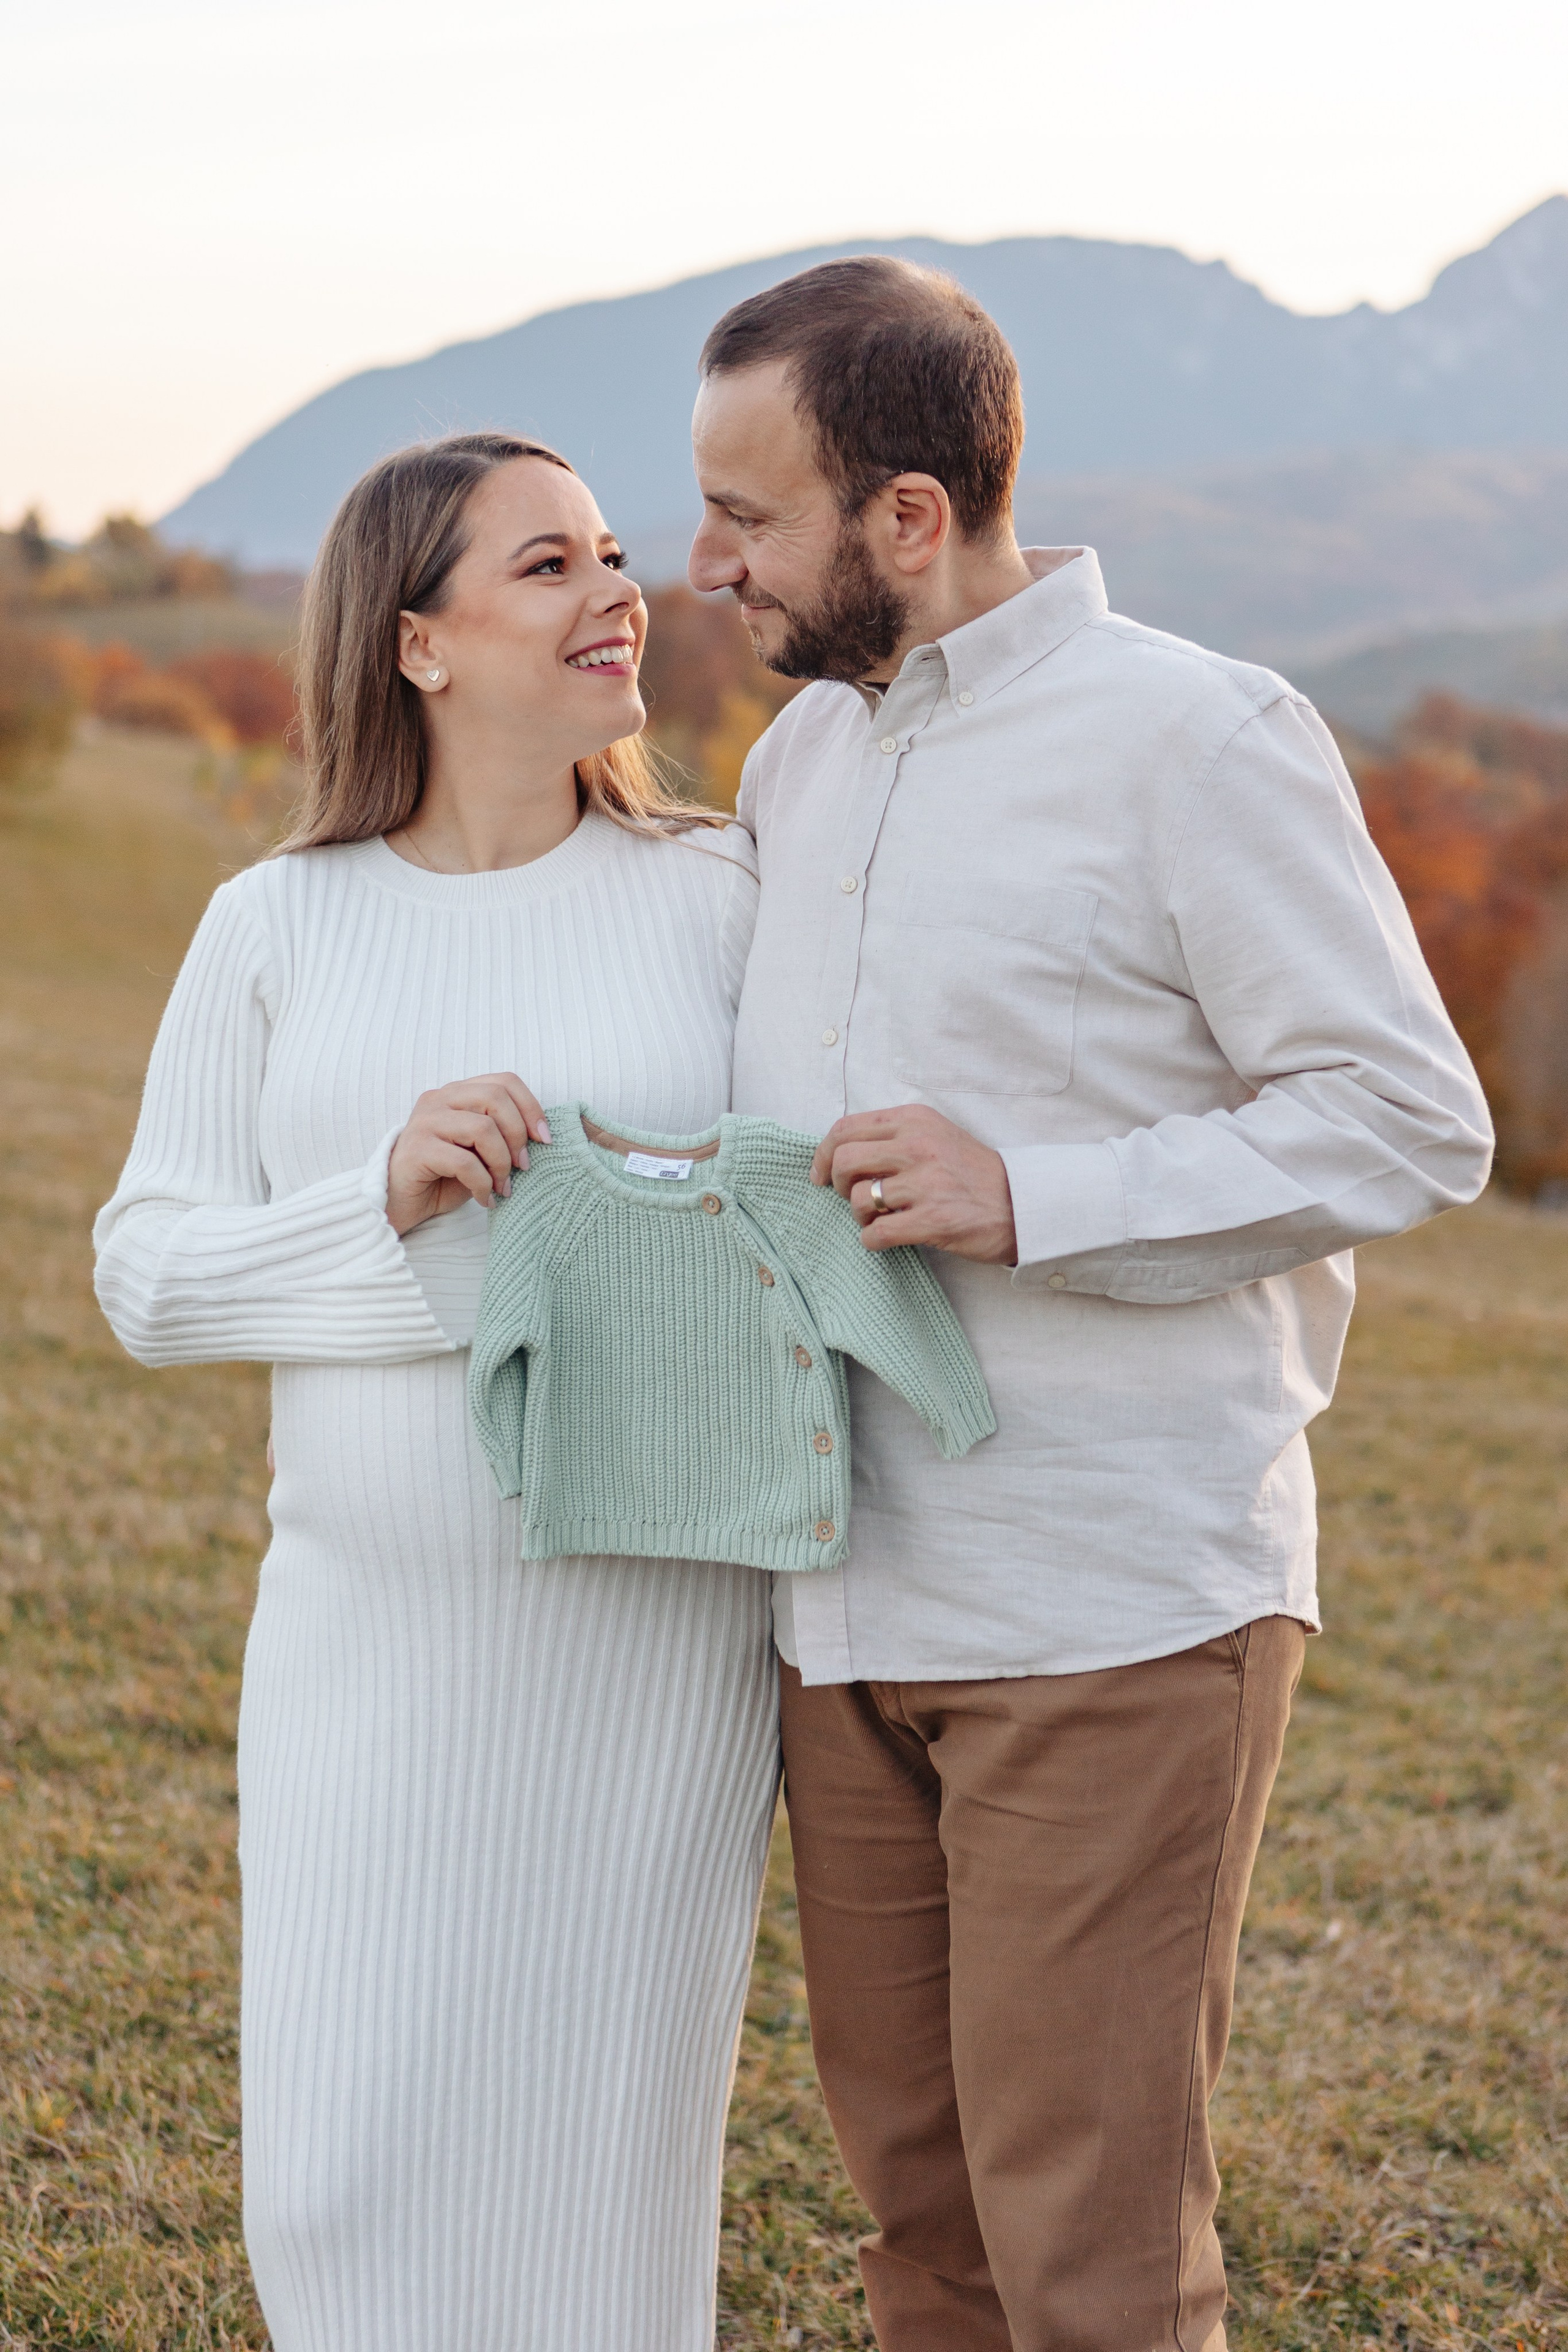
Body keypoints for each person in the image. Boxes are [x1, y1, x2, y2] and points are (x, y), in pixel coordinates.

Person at [688, 259, 1493, 2352]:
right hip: (842, 1597)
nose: (709, 566)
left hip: (1114, 1607)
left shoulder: (1199, 735)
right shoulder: (802, 771)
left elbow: (1408, 1118)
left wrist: (1030, 1194)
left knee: (1096, 2264)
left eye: (749, 517)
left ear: (908, 517)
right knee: (923, 2228)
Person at [94, 433, 778, 2352]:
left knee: (600, 2166)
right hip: (361, 1644)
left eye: (617, 554)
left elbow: (790, 1237)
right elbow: (145, 1271)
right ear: (419, 643)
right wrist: (386, 1218)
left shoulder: (715, 894)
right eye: (549, 565)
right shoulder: (278, 924)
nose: (618, 591)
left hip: (642, 1641)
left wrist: (557, 1241)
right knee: (340, 2162)